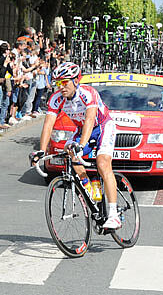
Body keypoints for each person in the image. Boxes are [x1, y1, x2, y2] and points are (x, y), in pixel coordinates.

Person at [30, 62, 121, 229]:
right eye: (58, 83)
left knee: (102, 163)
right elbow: (48, 124)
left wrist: (82, 145)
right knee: (69, 152)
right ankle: (89, 187)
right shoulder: (56, 98)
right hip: (81, 129)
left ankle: (114, 215)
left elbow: (90, 119)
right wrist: (41, 151)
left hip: (102, 126)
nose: (61, 87)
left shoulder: (88, 93)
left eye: (65, 82)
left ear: (76, 81)